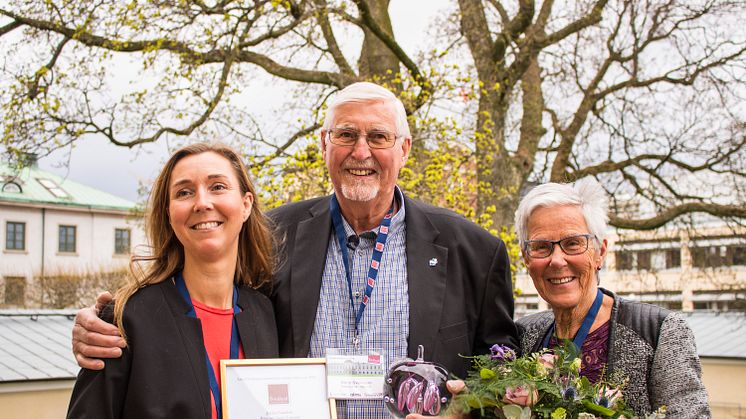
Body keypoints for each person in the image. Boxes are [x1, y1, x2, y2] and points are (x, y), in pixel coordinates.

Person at [70, 82, 519, 418]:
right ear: (324, 144)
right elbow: (199, 293)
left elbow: (504, 374)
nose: (360, 151)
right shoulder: (272, 235)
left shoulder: (474, 251)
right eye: (345, 135)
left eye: (378, 137)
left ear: (403, 149)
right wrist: (102, 322)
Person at [67, 143, 279, 419]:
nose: (202, 203)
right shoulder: (126, 319)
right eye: (184, 192)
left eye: (217, 187)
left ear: (246, 205)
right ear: (169, 213)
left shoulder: (266, 314)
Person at [513, 179, 710, 417]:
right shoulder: (524, 335)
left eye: (573, 243)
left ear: (600, 252)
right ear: (526, 258)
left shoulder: (658, 332)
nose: (556, 260)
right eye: (541, 247)